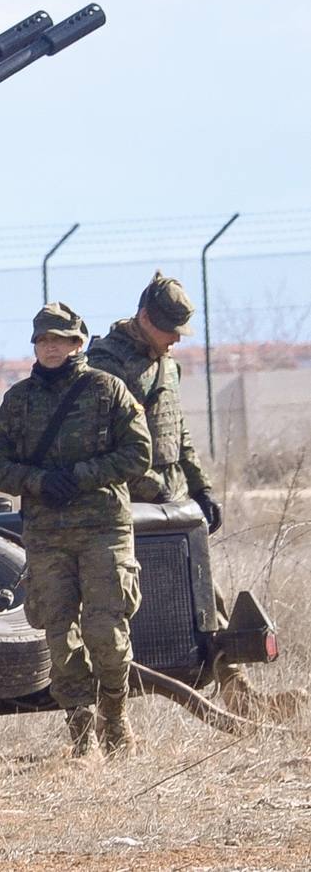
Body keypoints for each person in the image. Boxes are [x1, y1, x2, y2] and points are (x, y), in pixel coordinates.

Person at [88, 271, 305, 720]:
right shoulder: (106, 364)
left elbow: (178, 430)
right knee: (120, 602)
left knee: (206, 593)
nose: (175, 341)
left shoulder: (167, 362)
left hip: (173, 500)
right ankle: (106, 715)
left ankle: (238, 693)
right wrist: (142, 491)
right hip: (131, 503)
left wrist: (200, 487)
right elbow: (102, 440)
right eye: (169, 330)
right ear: (145, 318)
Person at [0, 303, 151, 756]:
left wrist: (79, 476)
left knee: (105, 632)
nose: (51, 347)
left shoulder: (107, 391)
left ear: (79, 343)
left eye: (60, 339)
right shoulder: (19, 400)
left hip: (102, 529)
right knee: (60, 635)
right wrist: (38, 481)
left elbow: (138, 454)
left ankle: (114, 717)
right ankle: (81, 732)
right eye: (43, 341)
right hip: (47, 534)